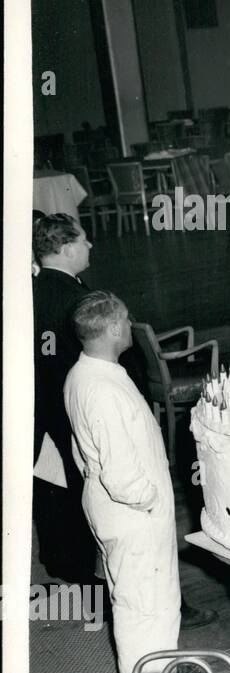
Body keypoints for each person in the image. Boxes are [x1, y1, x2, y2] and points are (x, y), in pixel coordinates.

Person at [63, 292, 183, 673]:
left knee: (136, 599)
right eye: (127, 319)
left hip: (113, 508)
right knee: (146, 605)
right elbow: (120, 475)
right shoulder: (102, 388)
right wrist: (148, 500)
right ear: (113, 328)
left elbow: (82, 450)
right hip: (132, 512)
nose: (131, 324)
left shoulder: (87, 374)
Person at [32, 214, 98, 584]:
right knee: (78, 489)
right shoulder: (77, 298)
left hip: (44, 407)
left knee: (53, 488)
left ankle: (59, 560)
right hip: (71, 409)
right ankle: (86, 574)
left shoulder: (35, 289)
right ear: (66, 247)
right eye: (84, 240)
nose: (89, 246)